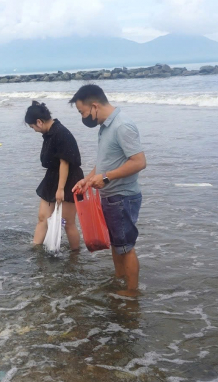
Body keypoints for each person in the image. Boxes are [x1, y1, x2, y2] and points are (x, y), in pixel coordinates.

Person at [71, 84, 147, 297]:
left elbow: (139, 162)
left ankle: (132, 293)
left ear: (94, 106)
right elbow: (105, 162)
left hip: (123, 196)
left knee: (126, 246)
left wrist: (106, 177)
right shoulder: (105, 127)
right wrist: (87, 180)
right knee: (117, 243)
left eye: (82, 112)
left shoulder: (123, 126)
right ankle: (120, 280)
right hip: (110, 196)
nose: (83, 117)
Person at [25, 101, 83, 251]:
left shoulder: (60, 133)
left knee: (68, 222)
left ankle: (75, 255)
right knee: (42, 218)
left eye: (32, 127)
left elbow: (65, 163)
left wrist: (61, 189)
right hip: (52, 176)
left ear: (39, 122)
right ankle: (35, 251)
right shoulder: (49, 132)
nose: (34, 130)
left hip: (69, 179)